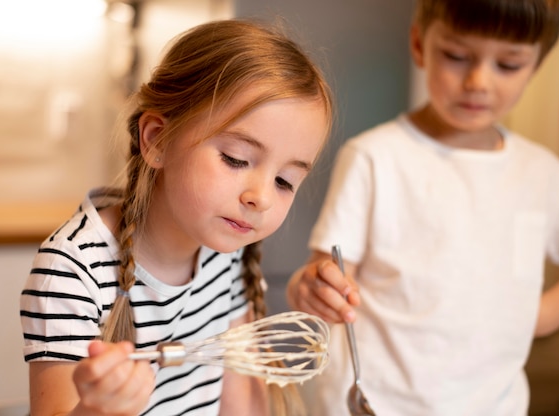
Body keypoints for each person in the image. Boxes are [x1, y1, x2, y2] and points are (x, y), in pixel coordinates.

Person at [20, 18, 333, 416]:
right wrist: (101, 409)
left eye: (286, 181)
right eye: (236, 159)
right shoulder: (72, 271)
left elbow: (241, 407)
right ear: (157, 140)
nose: (261, 197)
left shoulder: (225, 251)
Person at [286, 0, 559, 415]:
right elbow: (324, 278)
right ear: (420, 44)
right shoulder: (373, 157)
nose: (478, 81)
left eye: (508, 65)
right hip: (373, 404)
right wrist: (310, 289)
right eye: (457, 56)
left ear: (537, 64)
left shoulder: (545, 175)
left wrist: (540, 316)